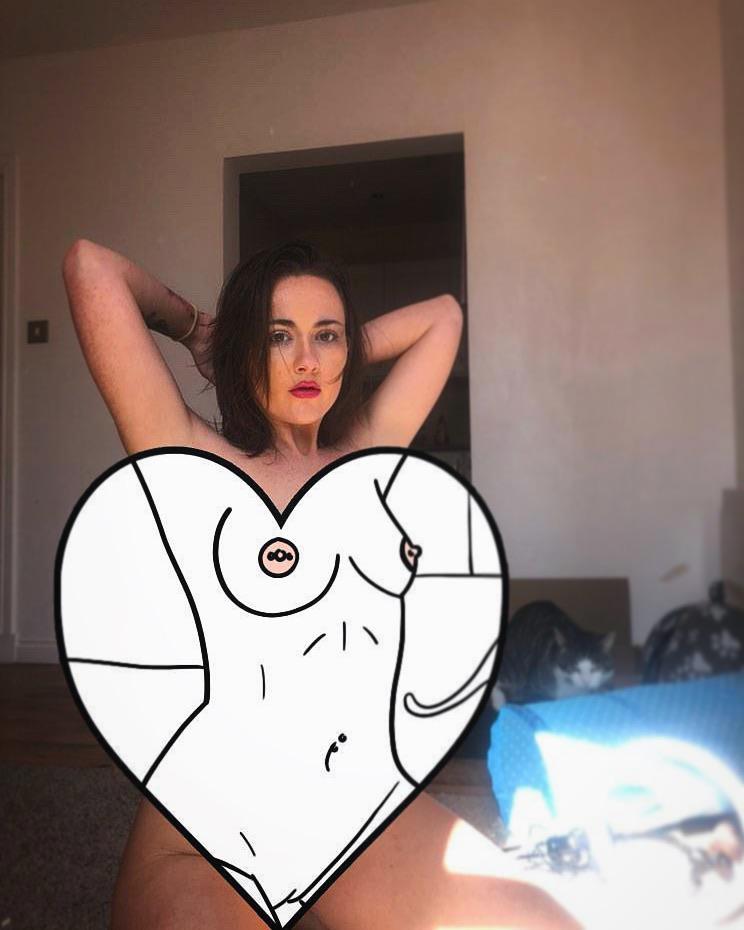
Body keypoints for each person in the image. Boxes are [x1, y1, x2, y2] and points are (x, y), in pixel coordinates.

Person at [62, 238, 583, 930]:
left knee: (547, 923)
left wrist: (338, 347)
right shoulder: (190, 460)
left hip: (349, 805)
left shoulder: (367, 452)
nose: (307, 360)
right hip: (208, 828)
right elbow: (90, 267)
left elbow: (444, 318)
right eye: (279, 336)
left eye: (326, 335)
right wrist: (202, 331)